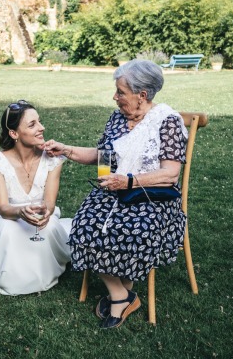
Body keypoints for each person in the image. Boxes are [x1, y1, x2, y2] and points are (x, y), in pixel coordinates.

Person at [45, 60, 188, 329]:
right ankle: (122, 294)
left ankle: (120, 294)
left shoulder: (167, 121)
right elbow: (104, 159)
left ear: (142, 95)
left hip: (152, 197)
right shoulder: (118, 119)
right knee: (86, 227)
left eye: (121, 92)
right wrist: (67, 149)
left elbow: (170, 173)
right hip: (115, 190)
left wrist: (129, 180)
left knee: (133, 231)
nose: (115, 97)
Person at [0, 100, 71, 295]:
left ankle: (44, 267)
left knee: (51, 226)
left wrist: (46, 213)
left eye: (39, 121)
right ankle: (13, 277)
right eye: (32, 124)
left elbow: (50, 204)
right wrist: (20, 211)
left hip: (40, 218)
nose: (42, 127)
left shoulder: (52, 158)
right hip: (11, 217)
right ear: (14, 134)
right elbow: (3, 208)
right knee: (6, 230)